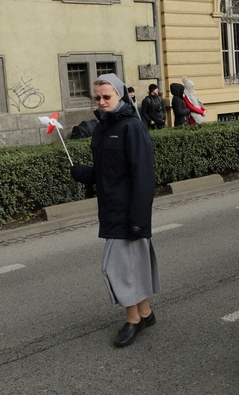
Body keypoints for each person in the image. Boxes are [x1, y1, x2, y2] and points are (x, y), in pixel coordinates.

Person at [69, 74, 159, 347]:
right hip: (109, 208)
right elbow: (109, 171)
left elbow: (144, 176)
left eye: (107, 96)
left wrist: (139, 219)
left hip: (128, 211)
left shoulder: (132, 127)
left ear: (121, 96)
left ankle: (132, 318)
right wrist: (87, 174)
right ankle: (144, 312)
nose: (102, 101)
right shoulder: (101, 127)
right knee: (131, 265)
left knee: (116, 268)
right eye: (97, 97)